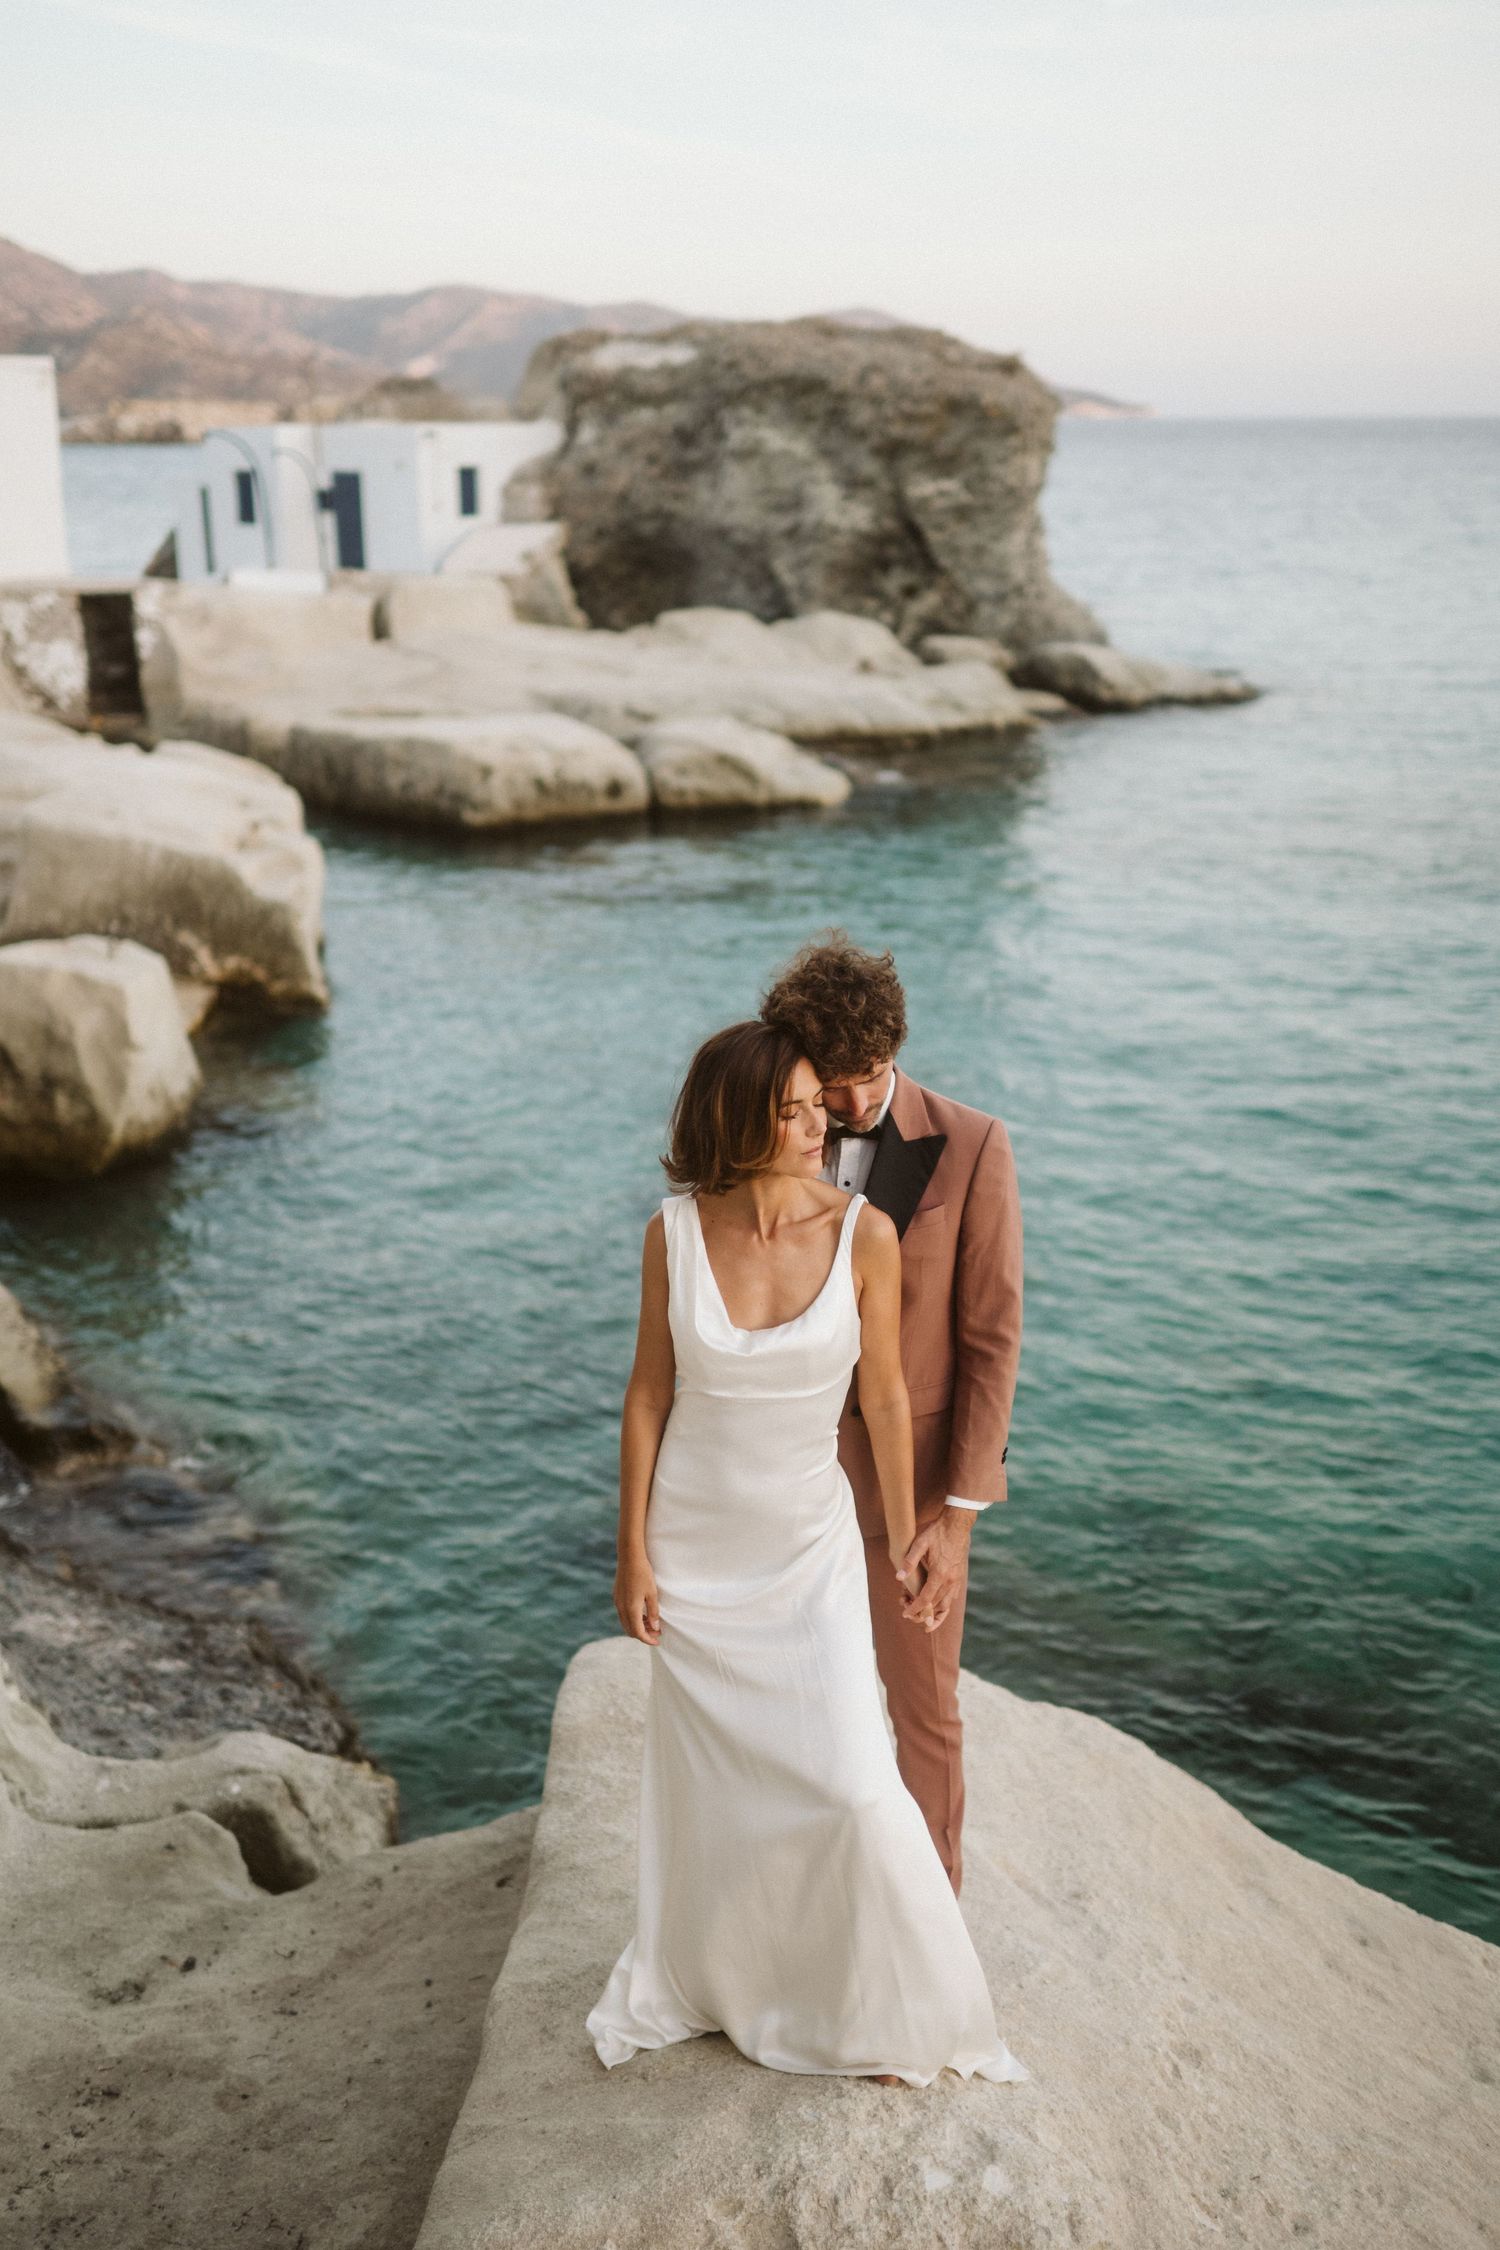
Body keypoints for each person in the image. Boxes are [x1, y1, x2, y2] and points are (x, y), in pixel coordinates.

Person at [586, 1020, 1027, 2088]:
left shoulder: (865, 1232)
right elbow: (649, 1395)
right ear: (738, 1120)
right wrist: (632, 1551)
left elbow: (882, 1393)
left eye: (814, 1103)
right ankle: (733, 1977)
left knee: (849, 1784)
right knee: (719, 1789)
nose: (816, 1119)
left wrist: (921, 1528)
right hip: (697, 1546)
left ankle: (885, 1997)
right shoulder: (674, 1232)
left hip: (811, 1545)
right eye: (790, 1106)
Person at [760, 933, 1023, 1896]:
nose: (855, 1105)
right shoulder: (774, 1140)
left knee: (923, 1713)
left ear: (895, 1049)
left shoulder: (974, 1145)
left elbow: (991, 1345)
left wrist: (954, 1521)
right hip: (783, 1481)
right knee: (795, 1706)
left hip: (908, 1499)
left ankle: (930, 1929)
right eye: (836, 1085)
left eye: (869, 1078)